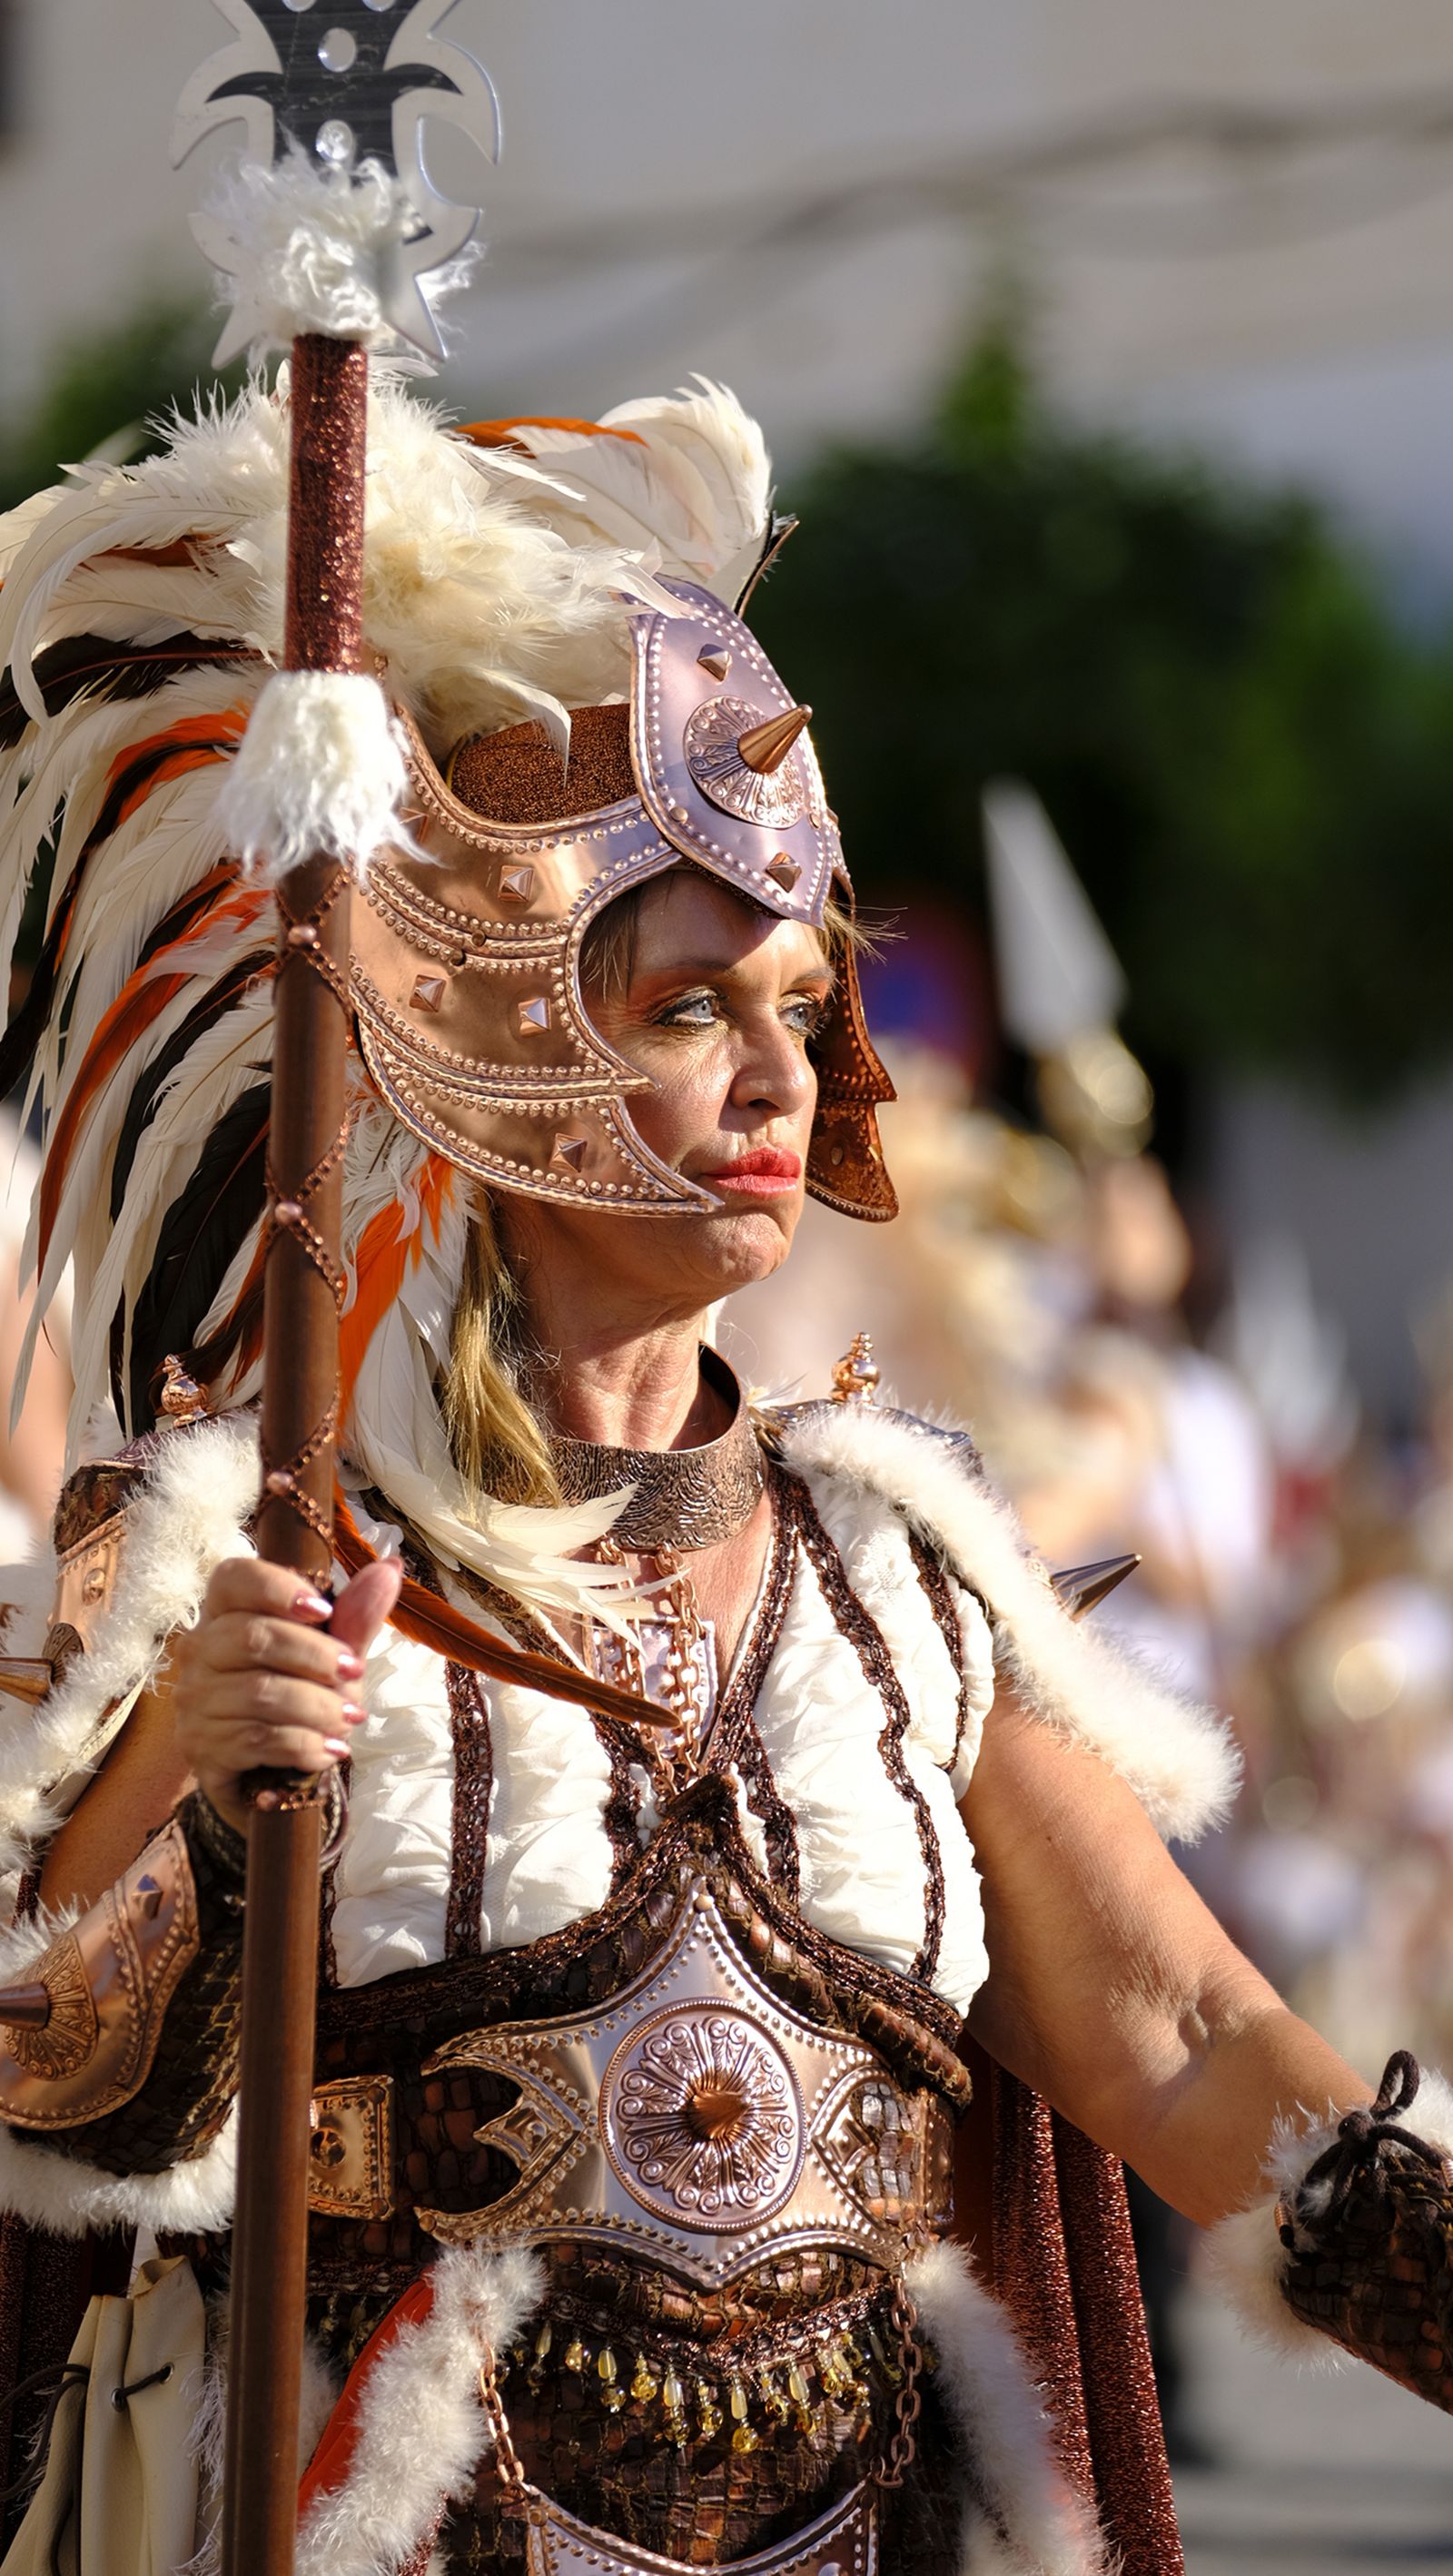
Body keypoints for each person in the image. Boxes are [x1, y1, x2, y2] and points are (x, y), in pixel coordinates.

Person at [0, 376, 1446, 2576]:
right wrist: (192, 1763)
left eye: (796, 997)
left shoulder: (894, 1561)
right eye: (685, 1006)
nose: (778, 1068)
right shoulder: (236, 1545)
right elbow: (37, 2078)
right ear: (499, 1037)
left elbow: (1174, 2036)